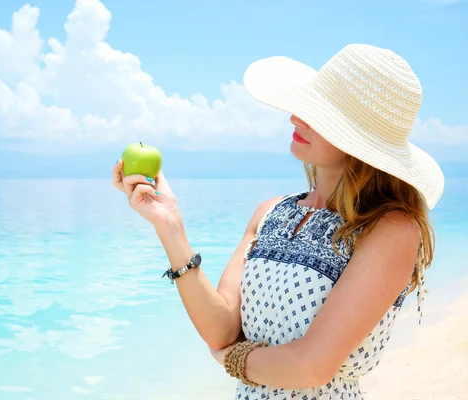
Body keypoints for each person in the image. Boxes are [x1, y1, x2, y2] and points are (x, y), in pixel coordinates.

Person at [112, 43, 444, 399]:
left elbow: (311, 366)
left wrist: (232, 360)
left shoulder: (390, 230)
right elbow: (221, 329)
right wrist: (170, 226)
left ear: (359, 140)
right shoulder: (271, 212)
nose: (295, 118)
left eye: (321, 114)